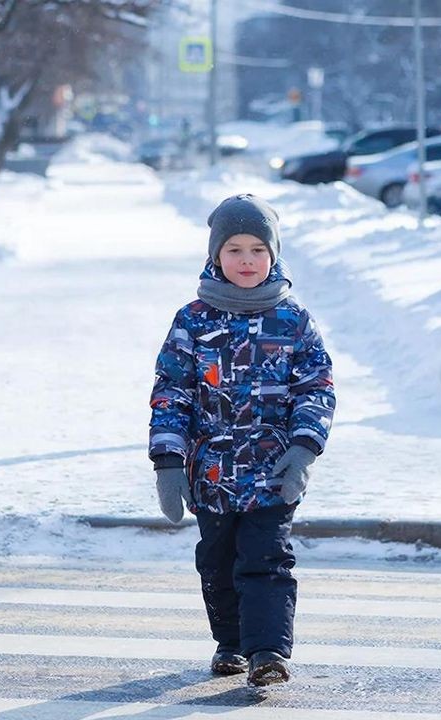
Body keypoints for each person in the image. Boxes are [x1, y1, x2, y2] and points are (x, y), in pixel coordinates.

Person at [148, 193, 335, 687]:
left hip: (273, 473)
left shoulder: (293, 321)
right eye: (234, 249)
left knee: (267, 559)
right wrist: (168, 462)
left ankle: (268, 651)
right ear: (215, 256)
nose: (247, 260)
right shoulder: (192, 320)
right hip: (210, 473)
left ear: (273, 255)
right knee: (217, 563)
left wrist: (302, 450)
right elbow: (172, 393)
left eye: (258, 249)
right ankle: (230, 642)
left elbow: (315, 389)